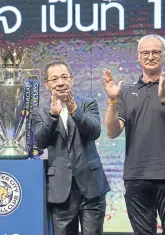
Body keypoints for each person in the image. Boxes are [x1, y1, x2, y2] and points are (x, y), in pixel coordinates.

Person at [102, 34, 165, 235]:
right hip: (136, 176)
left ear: (164, 56)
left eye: (155, 52)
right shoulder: (126, 91)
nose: (150, 56)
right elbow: (112, 131)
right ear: (138, 56)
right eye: (145, 52)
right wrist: (112, 102)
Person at [32, 60, 110, 235]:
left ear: (72, 80)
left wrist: (75, 110)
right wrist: (52, 116)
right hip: (60, 190)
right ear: (47, 84)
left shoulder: (87, 104)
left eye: (64, 77)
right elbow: (40, 142)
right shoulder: (40, 112)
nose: (60, 82)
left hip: (91, 185)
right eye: (54, 79)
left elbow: (94, 132)